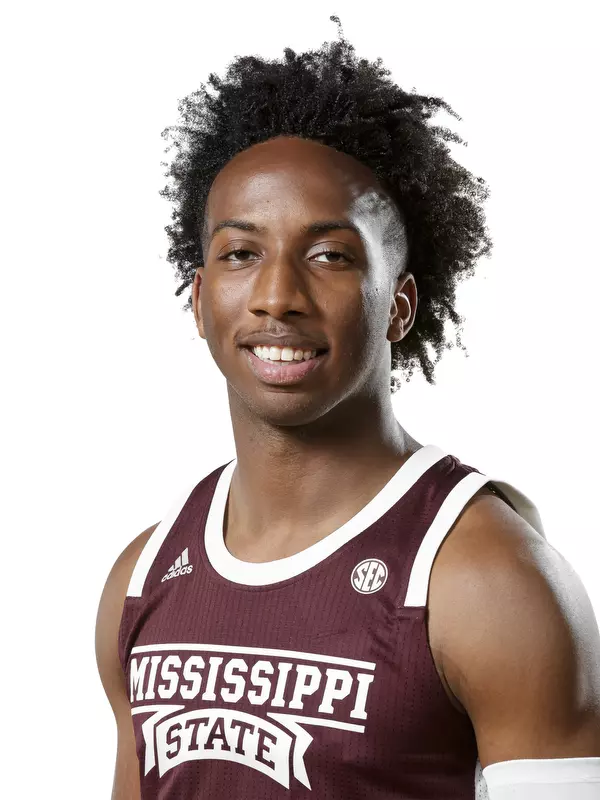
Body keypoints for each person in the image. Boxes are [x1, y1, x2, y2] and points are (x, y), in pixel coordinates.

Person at [95, 17, 600, 800]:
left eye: (329, 255)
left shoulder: (485, 576)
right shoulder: (143, 575)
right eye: (240, 253)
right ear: (199, 299)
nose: (276, 297)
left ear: (398, 306)